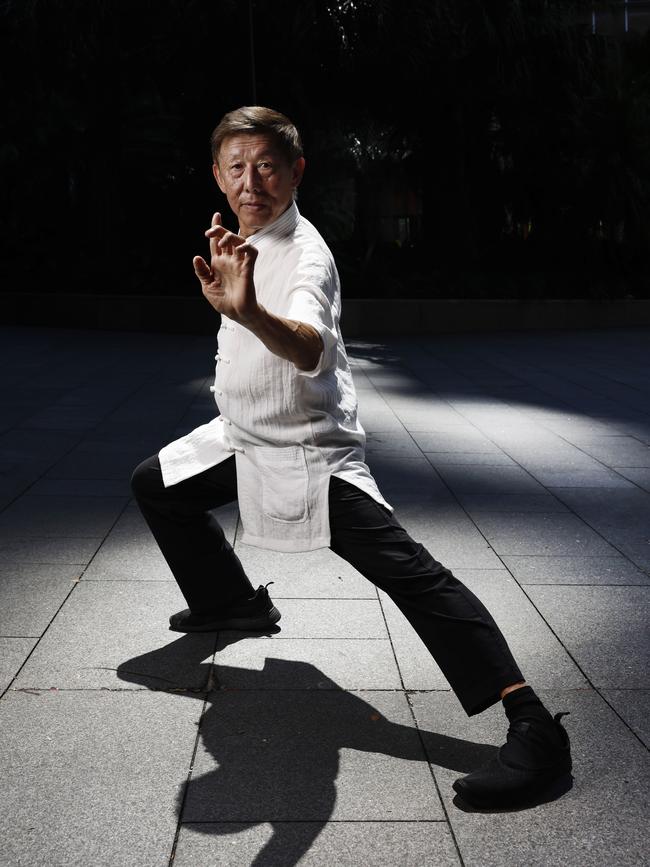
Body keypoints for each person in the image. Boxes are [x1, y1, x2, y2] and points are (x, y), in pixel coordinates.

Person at [130, 105, 572, 810]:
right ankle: (231, 601)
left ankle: (535, 729)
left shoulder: (307, 253)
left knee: (412, 574)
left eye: (267, 166)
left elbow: (308, 345)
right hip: (241, 436)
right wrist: (235, 304)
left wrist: (247, 314)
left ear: (296, 172)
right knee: (156, 483)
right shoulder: (240, 239)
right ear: (217, 175)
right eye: (237, 167)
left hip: (307, 454)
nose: (252, 182)